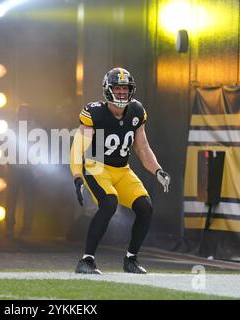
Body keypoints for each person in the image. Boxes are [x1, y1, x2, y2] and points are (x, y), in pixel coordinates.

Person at [69, 67, 171, 274]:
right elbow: (78, 147)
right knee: (109, 203)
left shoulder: (136, 111)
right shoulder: (94, 112)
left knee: (145, 207)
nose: (123, 93)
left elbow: (142, 147)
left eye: (126, 88)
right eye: (118, 88)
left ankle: (131, 259)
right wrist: (77, 176)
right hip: (96, 165)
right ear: (108, 90)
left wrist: (158, 170)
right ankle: (86, 260)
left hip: (122, 168)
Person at [5, 103, 36, 239]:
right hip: (15, 168)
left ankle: (26, 228)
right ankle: (9, 227)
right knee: (11, 198)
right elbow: (5, 146)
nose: (23, 115)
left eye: (25, 113)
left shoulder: (35, 128)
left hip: (29, 169)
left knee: (29, 199)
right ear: (18, 114)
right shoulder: (12, 128)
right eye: (21, 113)